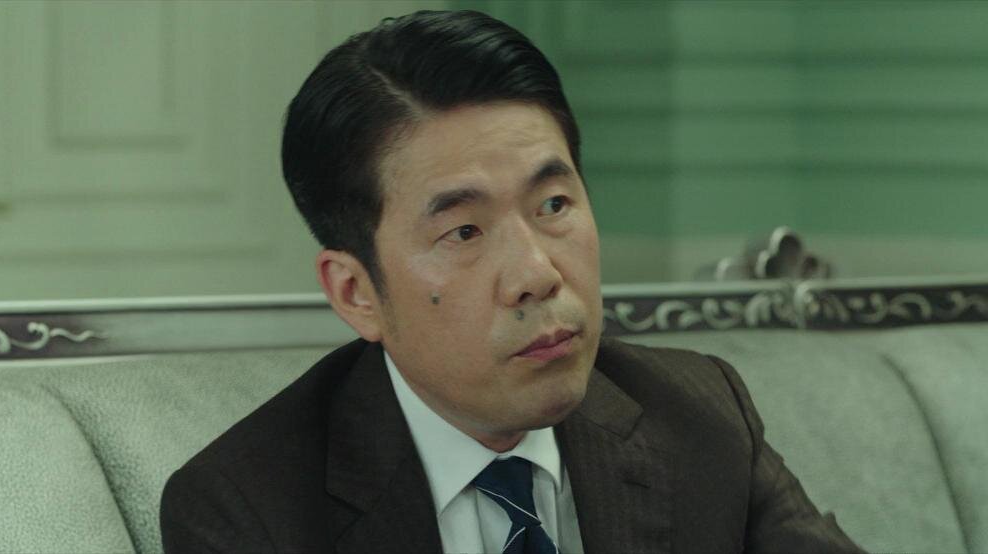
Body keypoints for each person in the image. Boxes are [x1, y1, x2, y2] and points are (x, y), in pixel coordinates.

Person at [160, 10, 863, 554]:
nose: (536, 274)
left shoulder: (698, 416)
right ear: (356, 293)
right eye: (464, 232)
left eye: (553, 205)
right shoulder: (250, 509)